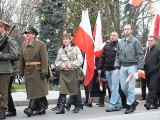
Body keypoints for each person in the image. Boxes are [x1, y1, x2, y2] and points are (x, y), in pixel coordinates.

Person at [114, 24, 144, 114]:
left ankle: (129, 105)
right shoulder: (121, 42)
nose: (126, 31)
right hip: (123, 66)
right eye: (125, 29)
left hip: (132, 67)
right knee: (123, 87)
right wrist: (116, 67)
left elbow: (141, 55)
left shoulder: (135, 41)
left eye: (128, 29)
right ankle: (133, 101)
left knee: (131, 87)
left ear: (131, 30)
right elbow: (117, 56)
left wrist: (139, 67)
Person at [19, 26, 48, 117]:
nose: (27, 35)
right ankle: (40, 108)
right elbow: (21, 60)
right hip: (28, 71)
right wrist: (20, 72)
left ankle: (30, 108)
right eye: (26, 33)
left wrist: (44, 71)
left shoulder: (40, 44)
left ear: (34, 35)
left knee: (35, 90)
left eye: (29, 33)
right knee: (33, 90)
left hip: (37, 70)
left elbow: (44, 59)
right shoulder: (24, 45)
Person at [55, 28, 83, 114]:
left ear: (70, 40)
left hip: (73, 72)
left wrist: (70, 65)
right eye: (63, 39)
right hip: (64, 72)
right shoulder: (61, 50)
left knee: (74, 90)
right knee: (62, 90)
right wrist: (62, 65)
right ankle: (62, 108)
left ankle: (77, 107)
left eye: (66, 39)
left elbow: (80, 60)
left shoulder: (75, 48)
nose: (65, 41)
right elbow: (57, 61)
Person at [0, 20, 20, 119]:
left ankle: (3, 110)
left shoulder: (9, 40)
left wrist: (2, 55)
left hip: (4, 69)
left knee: (4, 91)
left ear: (3, 28)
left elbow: (15, 54)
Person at [98, 31, 122, 112]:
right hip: (107, 70)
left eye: (114, 35)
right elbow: (102, 57)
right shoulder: (106, 46)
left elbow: (121, 58)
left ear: (117, 37)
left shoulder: (120, 45)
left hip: (116, 70)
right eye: (111, 35)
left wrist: (118, 67)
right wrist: (100, 68)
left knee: (115, 88)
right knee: (112, 88)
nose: (112, 37)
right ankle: (119, 104)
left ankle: (111, 105)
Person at [144, 36, 160, 110]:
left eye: (151, 40)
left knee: (152, 87)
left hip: (155, 72)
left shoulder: (158, 50)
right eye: (148, 40)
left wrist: (154, 68)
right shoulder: (146, 50)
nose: (149, 42)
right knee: (150, 88)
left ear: (155, 41)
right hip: (147, 72)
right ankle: (155, 103)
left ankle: (148, 103)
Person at [6, 40, 20, 117]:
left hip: (10, 70)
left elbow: (17, 55)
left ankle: (11, 110)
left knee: (6, 90)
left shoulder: (10, 41)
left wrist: (3, 55)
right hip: (3, 70)